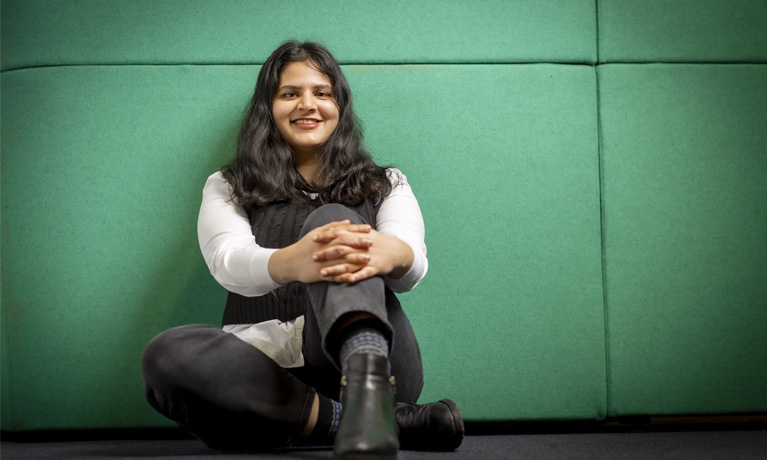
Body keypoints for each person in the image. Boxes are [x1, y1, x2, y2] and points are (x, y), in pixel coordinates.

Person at [141, 41, 463, 459]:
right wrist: (295, 261)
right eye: (290, 93)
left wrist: (388, 253)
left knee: (333, 220)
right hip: (264, 376)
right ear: (267, 108)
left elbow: (412, 260)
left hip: (381, 363)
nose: (307, 104)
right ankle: (372, 420)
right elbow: (227, 261)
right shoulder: (227, 184)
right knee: (167, 356)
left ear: (339, 107)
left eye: (322, 93)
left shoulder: (388, 183)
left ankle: (366, 388)